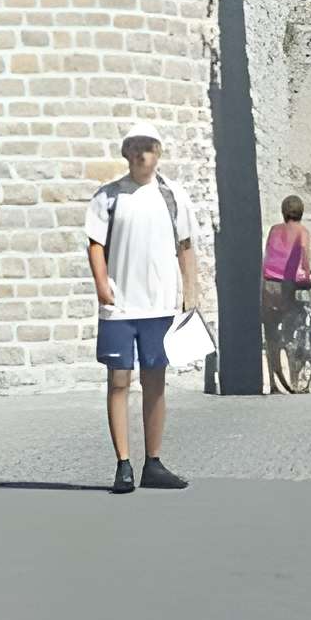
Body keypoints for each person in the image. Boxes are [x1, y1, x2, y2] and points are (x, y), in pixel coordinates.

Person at [83, 125, 202, 494]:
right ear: (125, 153)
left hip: (159, 303)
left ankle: (153, 462)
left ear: (158, 153)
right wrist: (102, 285)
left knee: (155, 381)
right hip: (120, 305)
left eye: (147, 148)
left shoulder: (173, 197)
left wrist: (191, 288)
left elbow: (186, 245)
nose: (141, 155)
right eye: (134, 148)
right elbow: (95, 244)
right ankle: (123, 463)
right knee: (119, 380)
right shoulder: (108, 197)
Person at [261, 194, 311, 393]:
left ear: (283, 212)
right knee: (291, 333)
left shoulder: (274, 230)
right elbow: (303, 253)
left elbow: (269, 253)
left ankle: (274, 383)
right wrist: (306, 274)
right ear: (301, 212)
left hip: (268, 283)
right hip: (287, 285)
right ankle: (294, 382)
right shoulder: (302, 231)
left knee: (271, 336)